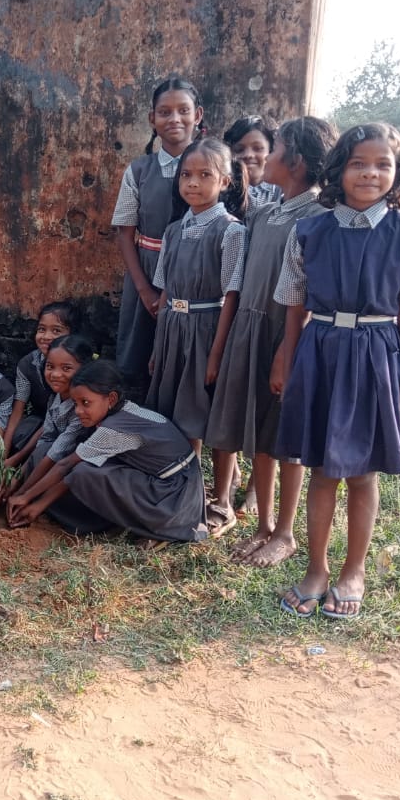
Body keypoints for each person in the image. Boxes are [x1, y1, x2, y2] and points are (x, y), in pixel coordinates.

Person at [271, 123, 400, 620]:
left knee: (362, 473)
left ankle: (354, 570)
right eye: (358, 163)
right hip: (319, 353)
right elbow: (293, 306)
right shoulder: (308, 230)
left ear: (398, 172)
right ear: (338, 170)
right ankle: (317, 569)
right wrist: (287, 358)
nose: (370, 173)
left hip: (375, 356)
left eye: (383, 164)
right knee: (321, 469)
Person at [207, 116, 337, 567]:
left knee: (286, 438)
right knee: (261, 433)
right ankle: (263, 525)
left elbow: (310, 292)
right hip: (252, 327)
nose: (264, 155)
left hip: (289, 334)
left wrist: (288, 348)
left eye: (276, 147)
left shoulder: (318, 217)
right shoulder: (264, 212)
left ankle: (285, 532)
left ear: (297, 161)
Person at [144, 137, 247, 537]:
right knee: (182, 416)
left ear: (224, 181)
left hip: (209, 329)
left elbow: (232, 295)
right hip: (174, 329)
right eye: (187, 175)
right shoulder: (173, 230)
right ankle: (190, 494)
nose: (193, 183)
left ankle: (223, 499)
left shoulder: (230, 231)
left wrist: (217, 353)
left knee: (215, 418)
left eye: (205, 175)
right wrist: (158, 347)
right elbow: (166, 291)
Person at [6, 361, 207, 543]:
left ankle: (143, 527)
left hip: (175, 500)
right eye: (75, 404)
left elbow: (66, 465)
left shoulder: (113, 428)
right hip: (177, 483)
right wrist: (34, 501)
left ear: (111, 399)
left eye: (86, 403)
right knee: (86, 467)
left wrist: (28, 498)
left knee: (85, 471)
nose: (78, 411)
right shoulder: (125, 412)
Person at [112, 77, 205, 400]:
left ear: (198, 115)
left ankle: (179, 437)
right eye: (164, 112)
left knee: (185, 357)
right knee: (138, 357)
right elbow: (125, 233)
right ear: (152, 119)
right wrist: (144, 290)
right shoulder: (139, 171)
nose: (174, 119)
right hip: (147, 271)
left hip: (196, 275)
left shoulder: (213, 168)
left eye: (183, 110)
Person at [0, 333, 95, 504]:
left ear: (84, 370)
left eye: (66, 368)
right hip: (57, 457)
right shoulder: (55, 398)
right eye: (50, 366)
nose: (55, 374)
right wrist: (17, 471)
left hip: (79, 464)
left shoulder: (82, 408)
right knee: (41, 450)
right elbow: (46, 437)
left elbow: (56, 452)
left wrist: (21, 492)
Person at [0, 300, 75, 456]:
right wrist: (2, 454)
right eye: (41, 329)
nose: (46, 336)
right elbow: (18, 410)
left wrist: (15, 459)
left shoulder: (77, 365)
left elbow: (53, 421)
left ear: (72, 334)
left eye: (56, 331)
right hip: (40, 420)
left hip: (71, 423)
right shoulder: (27, 364)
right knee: (20, 433)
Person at [225, 115, 280, 209]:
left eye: (257, 148)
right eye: (239, 149)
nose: (248, 155)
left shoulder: (281, 192)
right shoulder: (223, 191)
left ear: (270, 151)